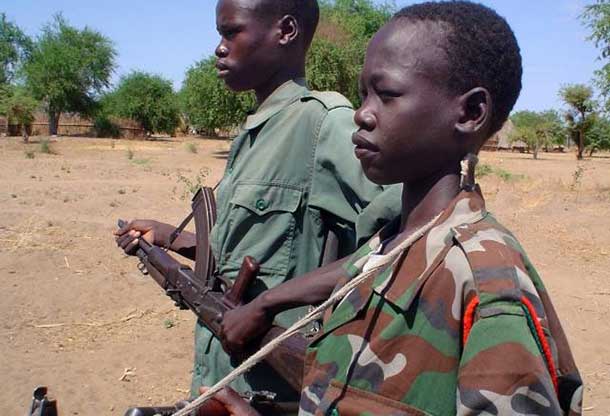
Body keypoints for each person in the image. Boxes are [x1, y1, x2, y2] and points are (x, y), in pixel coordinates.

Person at [204, 2, 584, 415]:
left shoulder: (485, 282)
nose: (362, 114)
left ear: (470, 112)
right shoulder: (387, 249)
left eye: (386, 95)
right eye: (364, 94)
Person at [114, 0, 400, 402]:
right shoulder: (255, 132)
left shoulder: (323, 123)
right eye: (219, 34)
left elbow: (408, 239)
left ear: (285, 31)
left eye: (231, 32)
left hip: (270, 390)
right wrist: (169, 238)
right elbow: (257, 250)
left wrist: (269, 304)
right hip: (224, 374)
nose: (219, 47)